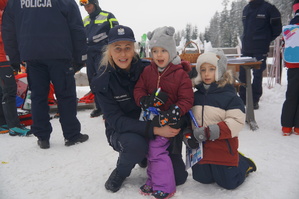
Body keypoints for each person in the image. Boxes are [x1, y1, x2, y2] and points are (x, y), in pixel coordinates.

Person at [90, 25, 188, 193]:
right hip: (122, 131)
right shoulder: (103, 79)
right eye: (117, 48)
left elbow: (171, 71)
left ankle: (145, 155)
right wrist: (156, 130)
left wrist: (185, 69)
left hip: (151, 123)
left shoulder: (145, 68)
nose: (123, 54)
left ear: (134, 48)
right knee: (136, 145)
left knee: (178, 177)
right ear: (109, 50)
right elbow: (116, 121)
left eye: (127, 48)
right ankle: (121, 171)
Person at [2, 0, 89, 149]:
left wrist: (13, 58)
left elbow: (8, 30)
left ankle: (42, 137)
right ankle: (72, 135)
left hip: (32, 56)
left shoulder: (15, 2)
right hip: (60, 54)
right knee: (66, 96)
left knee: (38, 97)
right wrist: (81, 57)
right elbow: (76, 27)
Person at [134, 26, 194, 199]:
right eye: (155, 51)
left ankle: (165, 186)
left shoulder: (180, 74)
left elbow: (187, 99)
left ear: (172, 51)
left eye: (163, 51)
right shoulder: (148, 71)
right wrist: (144, 100)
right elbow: (138, 89)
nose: (159, 55)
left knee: (156, 150)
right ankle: (153, 181)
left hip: (170, 120)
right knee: (150, 150)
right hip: (151, 118)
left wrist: (176, 110)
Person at [183, 50, 257, 190]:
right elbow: (188, 119)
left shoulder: (230, 96)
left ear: (220, 70)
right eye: (203, 69)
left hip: (223, 149)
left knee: (229, 183)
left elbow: (236, 121)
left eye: (212, 69)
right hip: (201, 152)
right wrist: (187, 134)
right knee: (202, 179)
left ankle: (244, 163)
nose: (206, 74)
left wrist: (209, 132)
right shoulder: (195, 96)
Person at [79, 0, 119, 118]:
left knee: (104, 79)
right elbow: (81, 37)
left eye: (89, 5)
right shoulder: (85, 20)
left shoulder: (108, 16)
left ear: (95, 4)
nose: (87, 8)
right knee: (93, 80)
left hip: (103, 52)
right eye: (85, 6)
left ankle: (110, 108)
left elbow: (116, 32)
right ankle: (100, 107)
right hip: (89, 54)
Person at [240, 0, 282, 109]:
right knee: (242, 74)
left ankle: (254, 100)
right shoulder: (246, 9)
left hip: (260, 49)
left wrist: (265, 40)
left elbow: (277, 29)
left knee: (258, 75)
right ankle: (242, 99)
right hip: (246, 48)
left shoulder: (269, 9)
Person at [0, 0, 30, 136]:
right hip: (3, 58)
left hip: (4, 56)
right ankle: (13, 126)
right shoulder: (4, 14)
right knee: (9, 90)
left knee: (3, 92)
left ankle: (4, 123)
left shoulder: (5, 13)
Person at [280, 0, 299, 136]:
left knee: (291, 94)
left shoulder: (290, 26)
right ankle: (298, 127)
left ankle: (286, 126)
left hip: (293, 63)